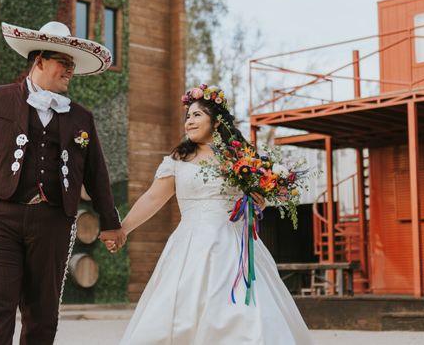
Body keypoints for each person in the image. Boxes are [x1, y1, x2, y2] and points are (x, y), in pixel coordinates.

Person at [0, 21, 126, 345]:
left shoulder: (81, 118)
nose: (70, 71)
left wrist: (110, 222)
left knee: (43, 315)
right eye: (64, 63)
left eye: (73, 66)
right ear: (40, 61)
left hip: (54, 222)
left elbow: (97, 176)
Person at [113, 84, 314, 344]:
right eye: (187, 116)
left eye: (197, 115)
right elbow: (153, 198)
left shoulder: (242, 159)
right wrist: (123, 228)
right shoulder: (177, 159)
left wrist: (259, 203)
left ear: (216, 121)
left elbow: (255, 201)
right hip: (189, 246)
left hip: (236, 247)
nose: (189, 121)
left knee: (245, 314)